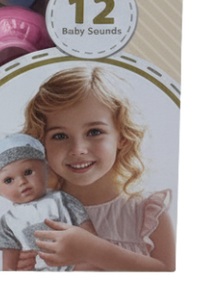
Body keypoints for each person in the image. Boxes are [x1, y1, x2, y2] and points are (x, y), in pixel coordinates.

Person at [21, 66, 175, 271]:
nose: (78, 149)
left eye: (94, 132)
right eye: (60, 136)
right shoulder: (34, 213)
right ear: (41, 144)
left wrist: (92, 250)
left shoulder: (148, 215)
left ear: (122, 136)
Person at [0, 132, 95, 271]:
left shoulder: (63, 201)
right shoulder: (8, 221)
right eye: (8, 180)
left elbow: (92, 239)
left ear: (45, 168)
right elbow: (9, 266)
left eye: (28, 172)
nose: (22, 182)